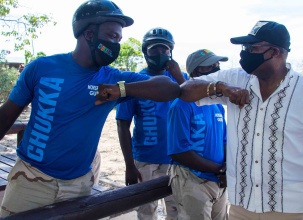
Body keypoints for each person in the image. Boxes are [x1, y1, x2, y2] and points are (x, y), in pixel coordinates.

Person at [0, 0, 181, 217]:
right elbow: (5, 117)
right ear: (89, 34)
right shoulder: (42, 68)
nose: (116, 44)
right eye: (112, 36)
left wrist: (120, 90)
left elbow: (169, 88)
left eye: (119, 39)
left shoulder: (113, 78)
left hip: (79, 186)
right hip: (29, 180)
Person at [179, 20, 303, 220]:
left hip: (289, 209)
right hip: (241, 207)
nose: (245, 53)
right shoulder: (236, 79)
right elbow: (185, 90)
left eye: (252, 47)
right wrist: (221, 88)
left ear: (275, 52)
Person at [114, 27, 188, 220]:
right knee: (146, 211)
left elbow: (196, 106)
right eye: (154, 50)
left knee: (177, 210)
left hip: (178, 159)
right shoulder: (135, 82)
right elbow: (123, 124)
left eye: (164, 50)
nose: (160, 54)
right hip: (144, 160)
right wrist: (129, 165)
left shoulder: (182, 80)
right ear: (145, 52)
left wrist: (179, 76)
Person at [167, 49, 228, 220]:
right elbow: (179, 151)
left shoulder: (216, 104)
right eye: (211, 67)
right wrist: (219, 170)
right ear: (195, 72)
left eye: (218, 66)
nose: (217, 71)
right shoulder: (181, 105)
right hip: (192, 179)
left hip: (219, 180)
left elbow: (224, 139)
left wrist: (226, 168)